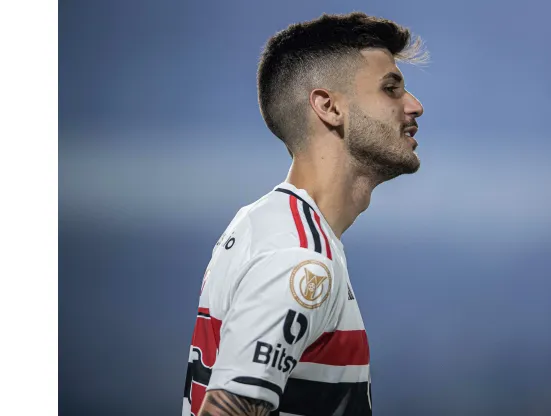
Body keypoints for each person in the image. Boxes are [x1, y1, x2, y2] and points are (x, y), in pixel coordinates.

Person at [182, 12, 426, 416]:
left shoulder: (263, 222)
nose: (414, 106)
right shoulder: (299, 258)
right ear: (329, 107)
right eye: (391, 89)